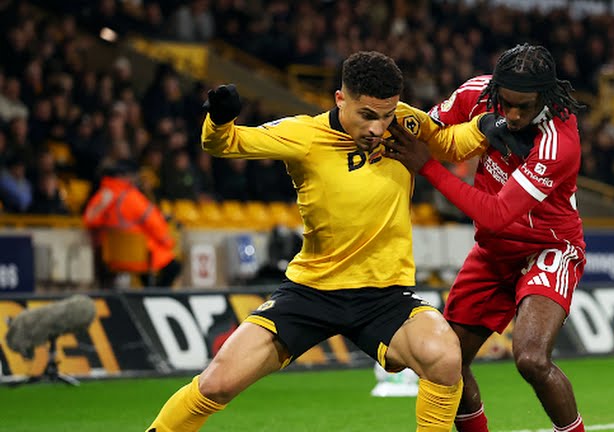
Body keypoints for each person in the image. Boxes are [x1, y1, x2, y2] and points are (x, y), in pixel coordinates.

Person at [144, 51, 512, 432]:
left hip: (384, 295)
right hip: (312, 292)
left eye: (386, 115)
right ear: (341, 99)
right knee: (216, 383)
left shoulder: (405, 123)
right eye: (367, 115)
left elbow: (450, 144)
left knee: (445, 355)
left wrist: (485, 125)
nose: (378, 128)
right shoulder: (304, 135)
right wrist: (219, 120)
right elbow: (224, 144)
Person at [384, 44, 588, 432]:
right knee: (445, 361)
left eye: (522, 107)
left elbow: (495, 215)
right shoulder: (479, 93)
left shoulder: (558, 142)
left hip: (547, 248)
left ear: (544, 99)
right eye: (505, 103)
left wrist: (426, 166)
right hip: (494, 253)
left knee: (531, 358)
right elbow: (429, 128)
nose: (511, 115)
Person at [83, 159, 181, 288]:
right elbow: (154, 223)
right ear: (123, 177)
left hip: (112, 256)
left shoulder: (103, 195)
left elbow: (89, 220)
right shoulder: (132, 197)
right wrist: (168, 241)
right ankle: (155, 296)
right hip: (138, 256)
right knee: (173, 266)